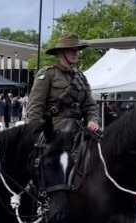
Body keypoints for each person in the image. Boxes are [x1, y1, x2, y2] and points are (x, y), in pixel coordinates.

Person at [26, 33, 100, 218]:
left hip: (79, 134)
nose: (75, 53)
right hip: (54, 135)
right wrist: (37, 135)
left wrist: (93, 120)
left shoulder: (81, 78)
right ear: (60, 53)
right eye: (71, 50)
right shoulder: (47, 74)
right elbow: (34, 109)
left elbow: (90, 105)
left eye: (76, 50)